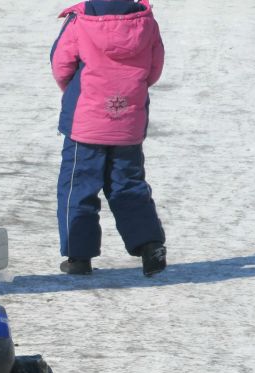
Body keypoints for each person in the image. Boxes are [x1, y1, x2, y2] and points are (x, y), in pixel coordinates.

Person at [50, 0, 167, 276]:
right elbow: (154, 68)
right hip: (128, 120)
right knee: (128, 184)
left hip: (86, 123)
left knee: (78, 187)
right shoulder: (145, 21)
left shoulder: (80, 20)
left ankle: (79, 257)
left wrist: (74, 91)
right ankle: (150, 245)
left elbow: (61, 64)